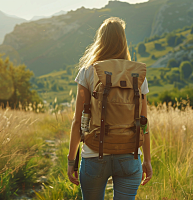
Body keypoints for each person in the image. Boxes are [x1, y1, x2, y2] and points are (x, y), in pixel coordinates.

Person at [67, 17, 153, 200]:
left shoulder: (87, 72)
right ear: (123, 41)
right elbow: (144, 123)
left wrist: (71, 161)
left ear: (101, 41)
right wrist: (147, 159)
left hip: (94, 155)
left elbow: (77, 121)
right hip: (130, 157)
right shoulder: (138, 76)